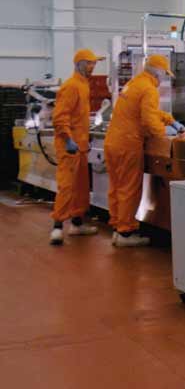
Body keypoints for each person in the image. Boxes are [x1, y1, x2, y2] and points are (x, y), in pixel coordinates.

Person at [104, 54, 185, 247]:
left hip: (113, 142)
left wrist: (170, 120)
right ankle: (125, 233)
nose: (164, 79)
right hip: (128, 144)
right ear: (158, 72)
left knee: (116, 187)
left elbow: (148, 111)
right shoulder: (149, 89)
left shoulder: (134, 83)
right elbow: (149, 120)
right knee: (129, 189)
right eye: (164, 74)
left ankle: (117, 228)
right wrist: (164, 134)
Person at [49, 49, 105, 245]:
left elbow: (78, 116)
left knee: (81, 187)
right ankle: (57, 227)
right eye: (89, 63)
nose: (92, 67)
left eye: (94, 63)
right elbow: (60, 117)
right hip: (69, 145)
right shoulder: (71, 86)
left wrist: (84, 137)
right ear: (79, 64)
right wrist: (67, 139)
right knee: (66, 185)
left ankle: (77, 223)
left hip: (80, 145)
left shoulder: (84, 85)